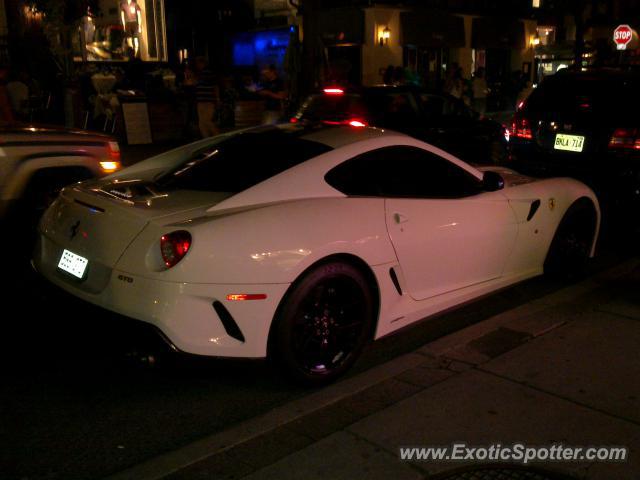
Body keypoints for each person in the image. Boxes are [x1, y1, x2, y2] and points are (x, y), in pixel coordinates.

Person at [194, 57, 219, 138]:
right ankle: (207, 140)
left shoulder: (207, 73)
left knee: (207, 121)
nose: (197, 65)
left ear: (202, 63)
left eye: (198, 63)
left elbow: (215, 86)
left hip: (207, 101)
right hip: (201, 101)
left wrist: (217, 99)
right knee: (202, 123)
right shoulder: (200, 73)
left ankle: (217, 137)